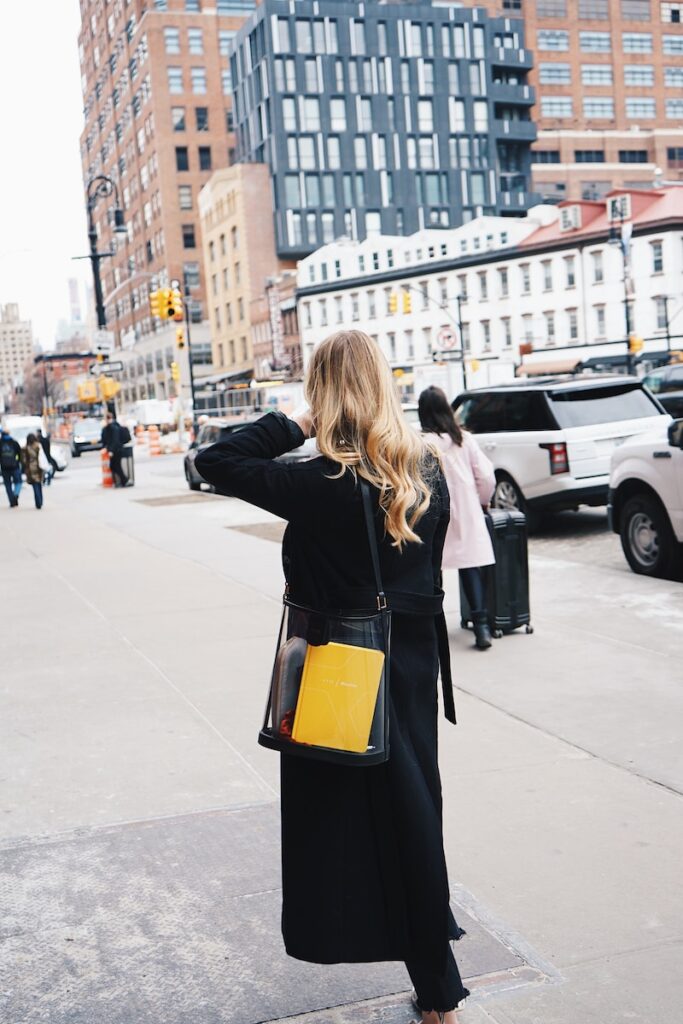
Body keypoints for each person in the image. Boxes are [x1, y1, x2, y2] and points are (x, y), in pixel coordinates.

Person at [196, 331, 469, 1024]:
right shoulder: (425, 468)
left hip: (337, 666)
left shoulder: (320, 482)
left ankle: (431, 985)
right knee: (411, 811)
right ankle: (436, 988)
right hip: (409, 662)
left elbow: (216, 459)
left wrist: (297, 422)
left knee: (346, 822)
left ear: (323, 393)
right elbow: (429, 565)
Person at [418, 386, 496, 652]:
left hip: (433, 513)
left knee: (433, 570)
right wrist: (483, 501)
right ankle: (481, 627)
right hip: (465, 510)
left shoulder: (422, 444)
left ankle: (433, 628)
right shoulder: (464, 440)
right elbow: (486, 476)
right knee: (470, 566)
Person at [101, 412, 131, 487]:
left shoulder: (113, 427)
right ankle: (123, 481)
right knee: (115, 466)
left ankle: (124, 480)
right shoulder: (113, 426)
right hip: (117, 449)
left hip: (116, 450)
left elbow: (115, 440)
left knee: (115, 466)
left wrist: (111, 450)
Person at [21, 433, 47, 510]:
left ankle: (38, 502)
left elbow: (23, 460)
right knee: (39, 484)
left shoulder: (25, 448)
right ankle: (40, 501)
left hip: (30, 468)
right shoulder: (38, 446)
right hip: (39, 466)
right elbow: (42, 456)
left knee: (35, 485)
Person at [0, 424, 22, 508]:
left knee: (8, 484)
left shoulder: (0, 443)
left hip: (4, 467)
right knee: (18, 482)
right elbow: (19, 454)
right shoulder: (14, 442)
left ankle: (12, 501)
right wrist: (17, 461)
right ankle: (15, 495)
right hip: (15, 466)